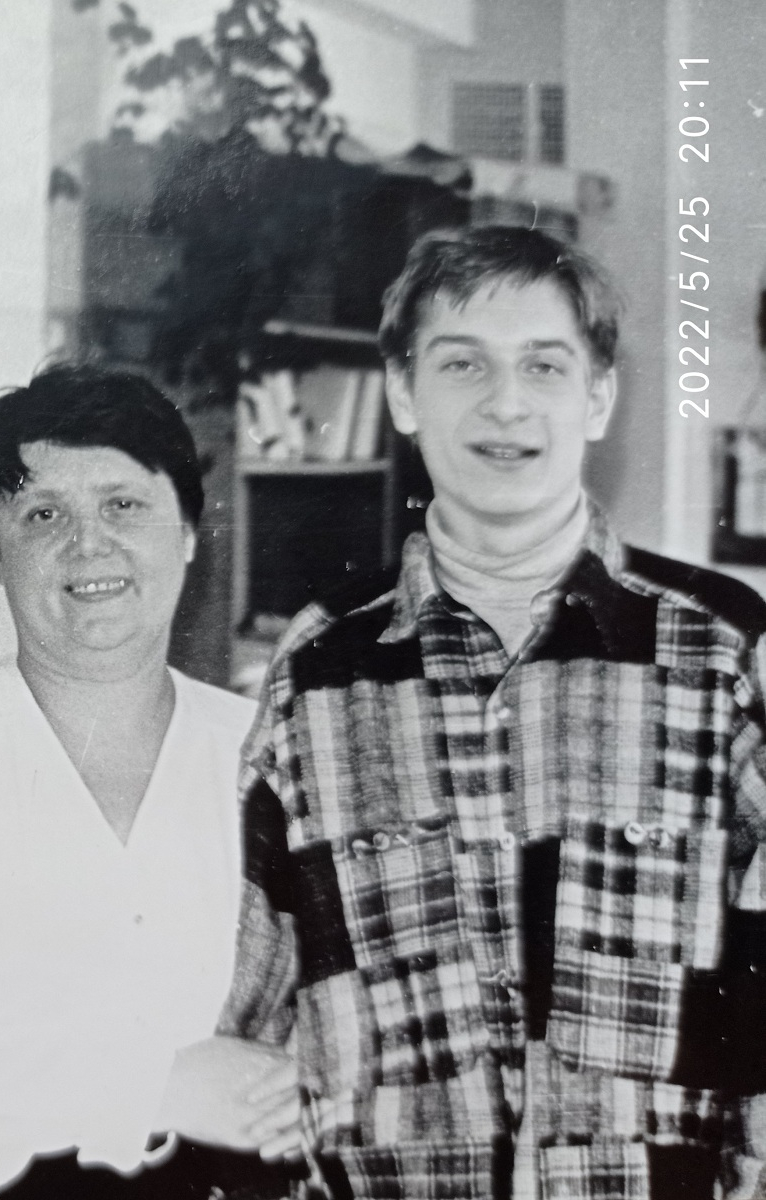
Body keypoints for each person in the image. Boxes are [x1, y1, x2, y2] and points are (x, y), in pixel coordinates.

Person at [221, 225, 766, 1200]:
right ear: (403, 394)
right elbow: (253, 1012)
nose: (505, 402)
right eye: (462, 363)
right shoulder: (318, 669)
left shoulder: (723, 652)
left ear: (598, 398)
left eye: (544, 365)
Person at [0, 365, 299, 1200]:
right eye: (43, 515)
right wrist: (157, 1087)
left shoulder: (268, 754)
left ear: (187, 534)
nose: (88, 544)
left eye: (123, 505)